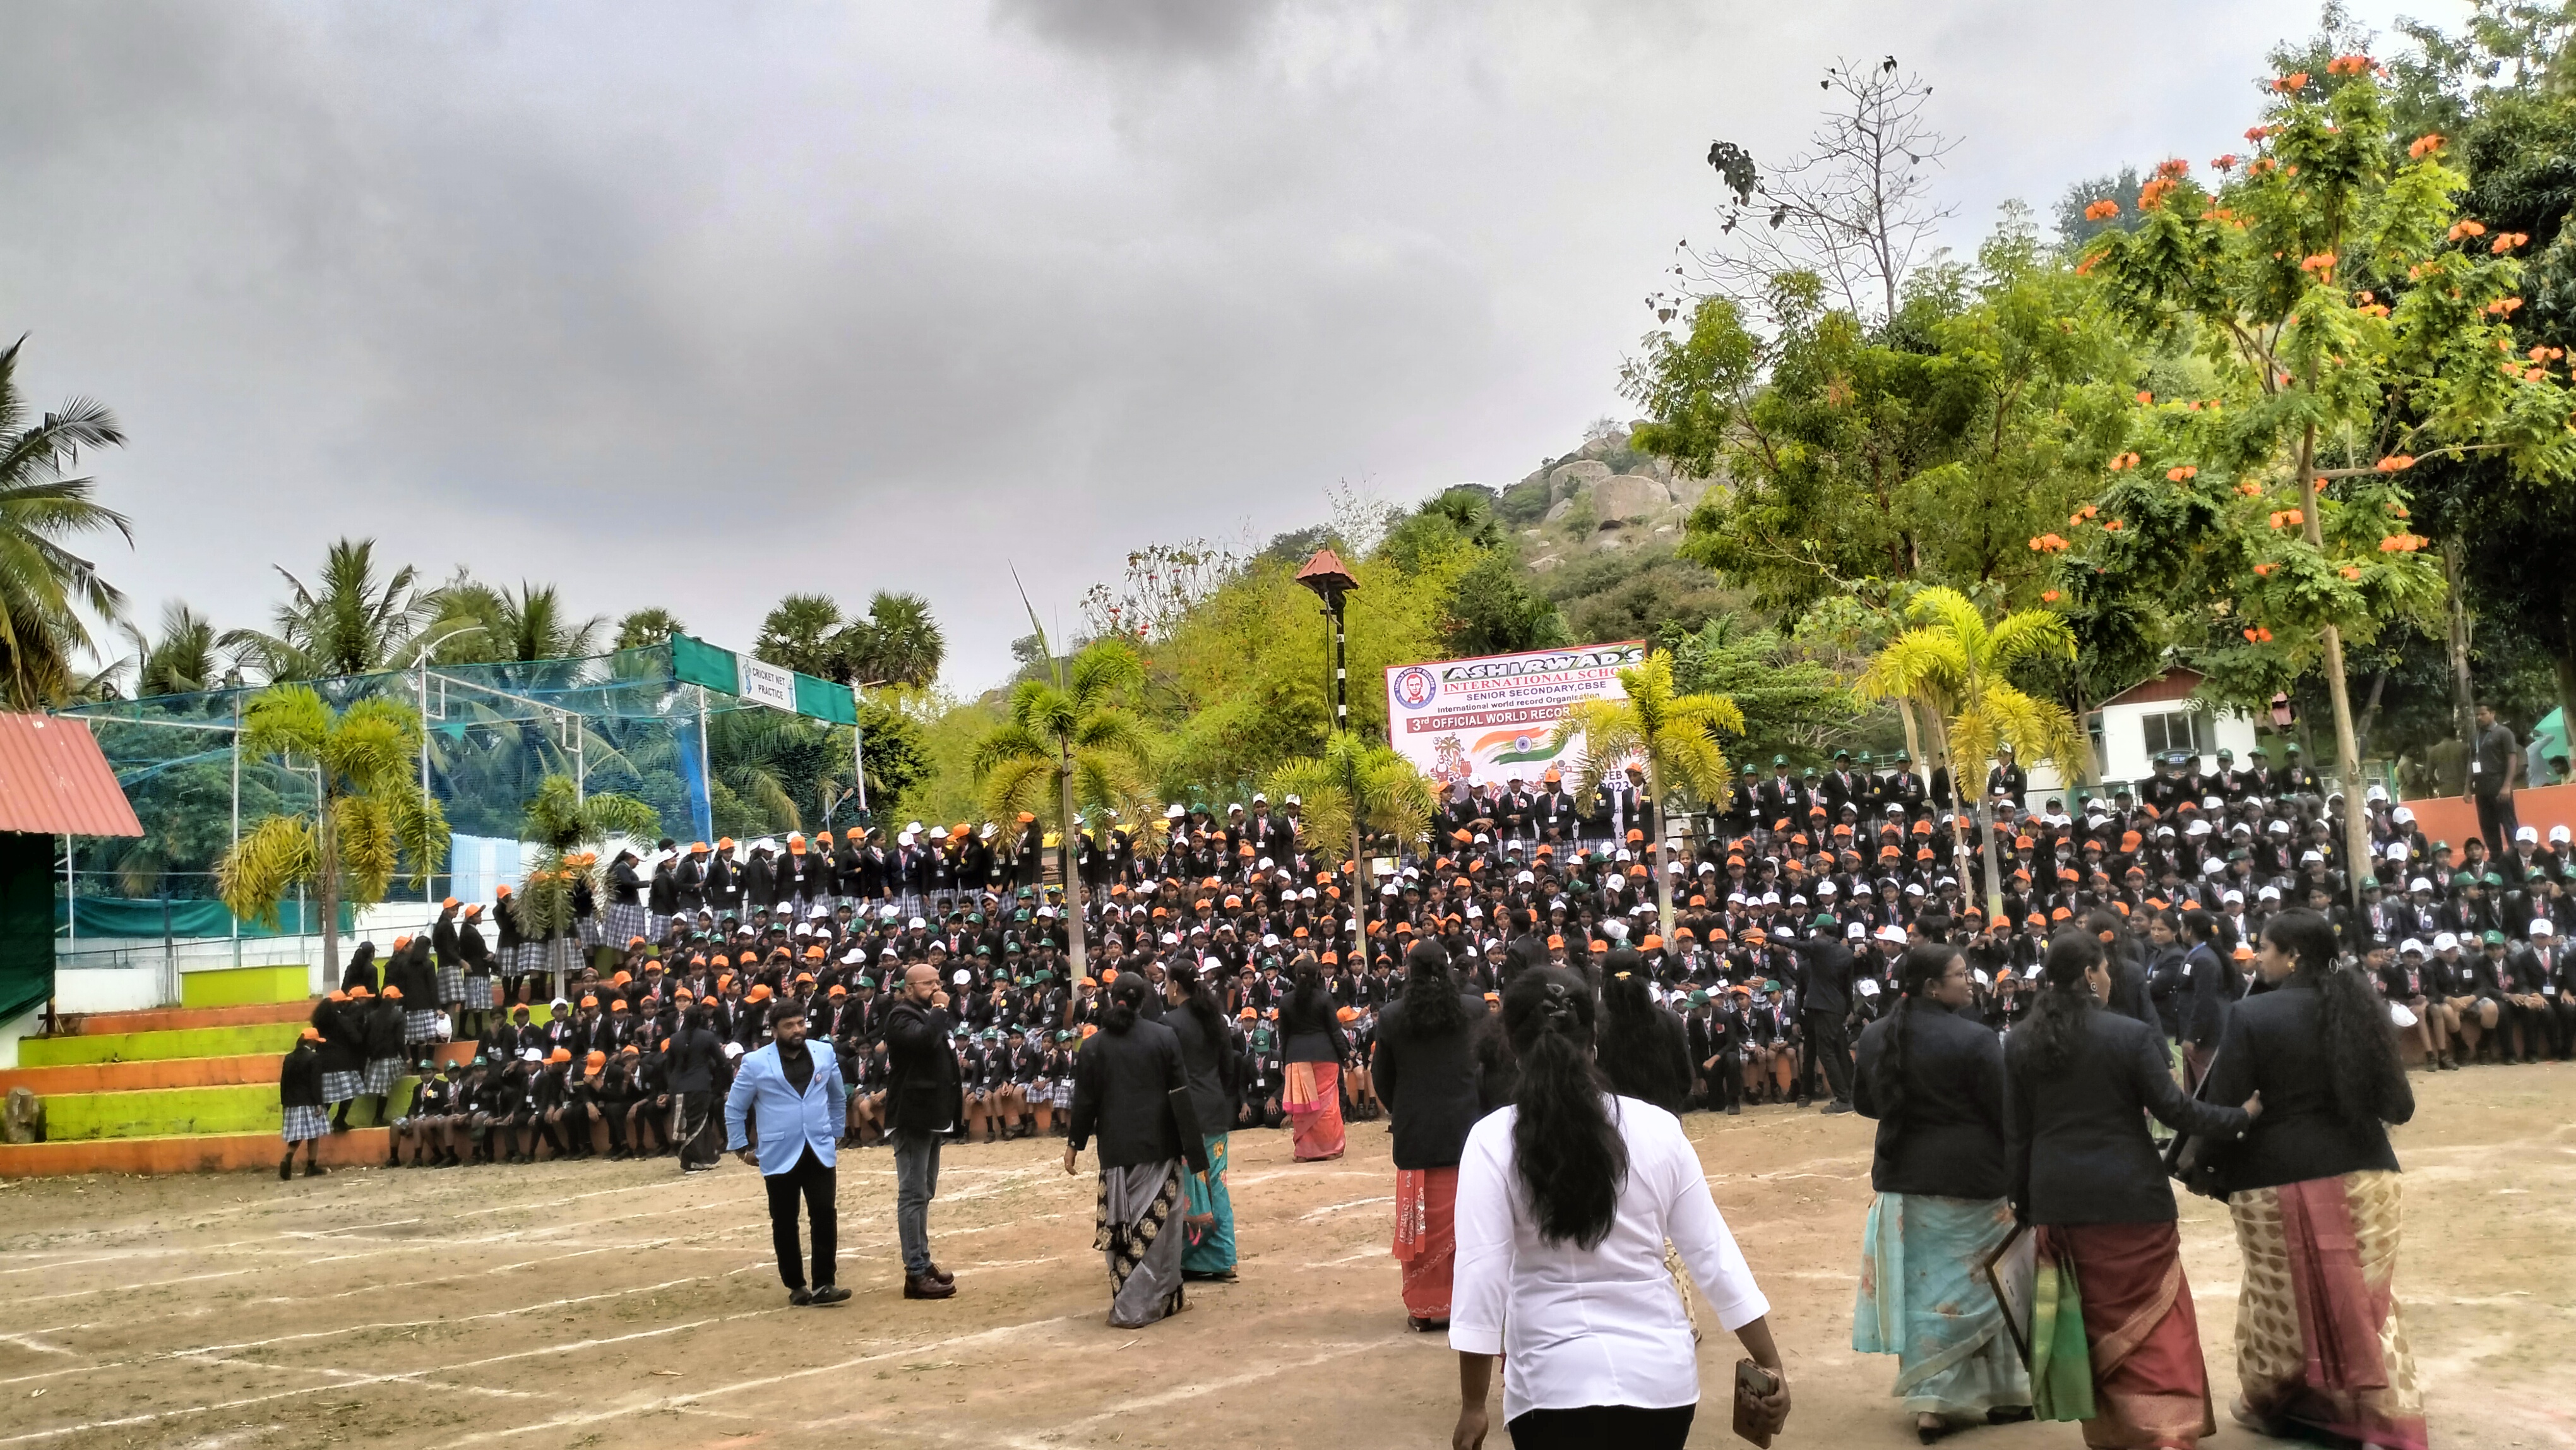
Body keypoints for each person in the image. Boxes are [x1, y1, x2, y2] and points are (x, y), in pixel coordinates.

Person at [1450, 967, 1789, 1450]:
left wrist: (1472, 1403)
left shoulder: (1490, 1141)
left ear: (1510, 1044)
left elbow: (1481, 1273)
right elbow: (1713, 1254)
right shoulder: (1658, 1129)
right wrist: (1771, 1363)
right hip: (1661, 1386)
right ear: (1595, 1037)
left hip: (1550, 1388)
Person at [2008, 929, 2259, 1450]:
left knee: (2091, 1319)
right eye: (2102, 970)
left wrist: (2025, 1201)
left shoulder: (2021, 1041)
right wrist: (2241, 1117)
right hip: (2130, 1191)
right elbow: (2176, 1111)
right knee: (2156, 1314)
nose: (2105, 979)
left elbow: (2017, 1132)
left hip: (2059, 1195)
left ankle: (2114, 1432)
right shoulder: (2128, 1035)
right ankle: (2165, 1430)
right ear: (2088, 975)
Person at [2202, 910, 2424, 1450]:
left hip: (2272, 1181)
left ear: (2293, 955)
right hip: (2365, 1178)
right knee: (2367, 1301)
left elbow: (2225, 1108)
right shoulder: (2360, 1010)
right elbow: (2401, 1105)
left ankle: (2287, 1406)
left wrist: (2209, 1170)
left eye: (2265, 948)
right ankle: (2375, 1415)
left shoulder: (2251, 1016)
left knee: (2279, 1302)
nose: (2259, 957)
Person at [1851, 944, 2032, 1442]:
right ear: (1934, 986)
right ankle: (2004, 1395)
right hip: (1973, 1182)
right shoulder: (1975, 1039)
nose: (1969, 980)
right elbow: (2005, 1115)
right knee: (1988, 1286)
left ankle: (1931, 1404)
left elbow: (1865, 1103)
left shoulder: (1874, 1036)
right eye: (1959, 974)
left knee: (1926, 1294)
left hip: (1903, 1182)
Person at [1064, 974, 1203, 1329]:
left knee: (1122, 1226)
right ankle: (1164, 1300)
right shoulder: (1163, 1036)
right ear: (1144, 1001)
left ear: (1112, 999)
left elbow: (1085, 1103)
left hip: (1115, 1150)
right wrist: (1195, 1153)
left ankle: (1129, 1304)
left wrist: (1073, 1146)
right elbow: (1181, 1096)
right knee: (1163, 1230)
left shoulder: (1094, 1046)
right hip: (1160, 1146)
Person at [1371, 938, 1488, 1332]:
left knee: (1419, 1226)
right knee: (1472, 1220)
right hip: (1468, 1129)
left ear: (1409, 970)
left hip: (1416, 1131)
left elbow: (1382, 1079)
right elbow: (1490, 1068)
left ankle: (1425, 1305)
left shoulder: (1391, 1016)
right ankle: (1472, 1303)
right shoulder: (1473, 1010)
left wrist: (1402, 1107)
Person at [722, 999, 851, 1307]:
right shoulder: (755, 1062)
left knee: (824, 1214)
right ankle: (795, 1285)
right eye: (789, 1025)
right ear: (774, 1029)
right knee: (784, 1219)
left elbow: (837, 1097)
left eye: (800, 1023)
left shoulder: (824, 1052)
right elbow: (734, 1108)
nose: (797, 1030)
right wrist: (741, 1148)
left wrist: (836, 1131)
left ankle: (824, 1283)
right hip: (778, 1150)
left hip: (819, 1147)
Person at [884, 961, 961, 1300]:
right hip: (912, 1116)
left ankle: (922, 1260)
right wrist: (940, 1008)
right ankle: (914, 1271)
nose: (936, 988)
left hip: (931, 1115)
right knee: (913, 1194)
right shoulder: (901, 1016)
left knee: (925, 1191)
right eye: (929, 984)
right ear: (909, 987)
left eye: (937, 982)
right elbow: (925, 1041)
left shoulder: (927, 1014)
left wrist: (939, 1011)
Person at [1163, 959, 1242, 1283]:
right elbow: (1229, 1066)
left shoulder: (1169, 1024)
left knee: (1191, 1185)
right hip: (1214, 1108)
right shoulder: (1215, 1019)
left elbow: (1165, 1074)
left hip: (1186, 1113)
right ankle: (1224, 1256)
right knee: (1217, 1185)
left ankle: (1192, 1256)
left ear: (1175, 986)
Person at [1279, 951, 1351, 1160]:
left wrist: (1285, 1061)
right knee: (1327, 1106)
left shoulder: (1285, 1001)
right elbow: (1335, 1031)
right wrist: (1346, 1056)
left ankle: (1304, 1153)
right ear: (1318, 976)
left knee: (1303, 1107)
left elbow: (1283, 1036)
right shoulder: (1325, 998)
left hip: (1296, 1057)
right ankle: (1330, 1149)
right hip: (1324, 1055)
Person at [2463, 702, 2520, 858]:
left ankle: (2516, 856)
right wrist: (2467, 787)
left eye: (2483, 714)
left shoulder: (2503, 733)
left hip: (2499, 786)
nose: (2479, 718)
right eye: (2477, 715)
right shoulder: (2476, 736)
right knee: (2488, 827)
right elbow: (2471, 761)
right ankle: (2496, 858)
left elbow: (2512, 759)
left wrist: (2507, 785)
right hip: (2481, 790)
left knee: (2509, 824)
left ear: (2493, 713)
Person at [279, 1028, 329, 1180]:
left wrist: (284, 1103)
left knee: (296, 1134)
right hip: (308, 1101)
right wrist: (319, 1103)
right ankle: (311, 1166)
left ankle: (288, 1156)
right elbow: (315, 1082)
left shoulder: (289, 1058)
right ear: (312, 1041)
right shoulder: (314, 1058)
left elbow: (284, 1083)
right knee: (313, 1134)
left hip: (292, 1102)